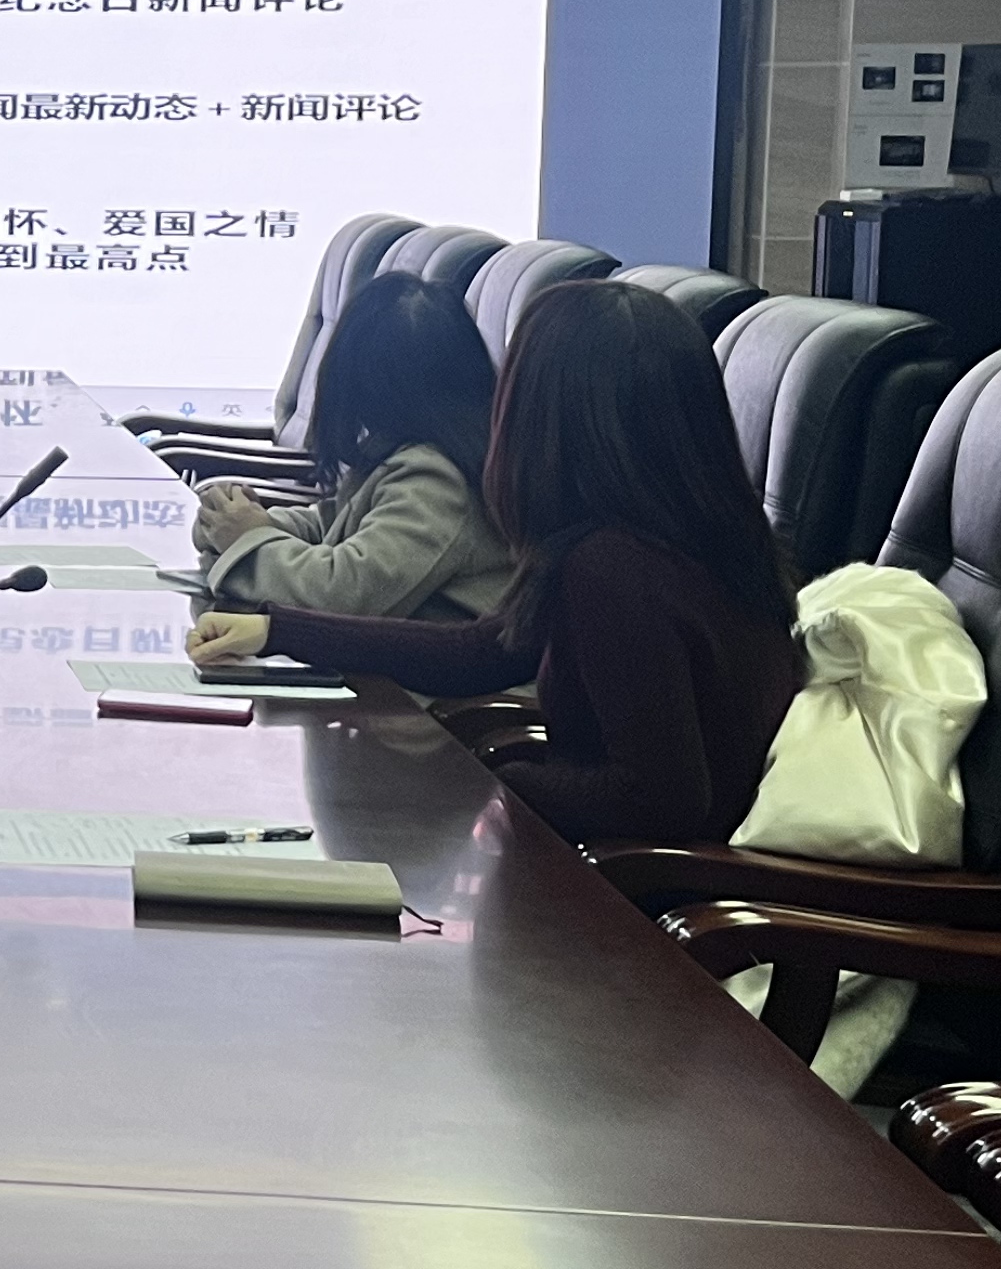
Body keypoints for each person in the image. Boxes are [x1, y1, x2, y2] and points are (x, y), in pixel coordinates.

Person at [192, 275, 797, 850]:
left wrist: (500, 783)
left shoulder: (614, 570)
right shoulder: (692, 534)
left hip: (637, 894)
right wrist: (278, 630)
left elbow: (662, 802)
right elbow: (482, 651)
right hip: (628, 871)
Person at [189, 271, 518, 624]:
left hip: (404, 661)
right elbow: (333, 527)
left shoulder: (437, 481)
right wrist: (240, 521)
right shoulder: (430, 450)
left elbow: (343, 595)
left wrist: (247, 539)